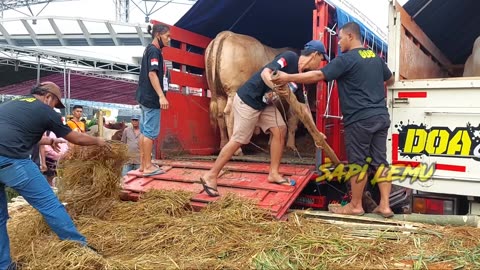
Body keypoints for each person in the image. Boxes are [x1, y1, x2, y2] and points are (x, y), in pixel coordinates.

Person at [271, 22, 395, 217]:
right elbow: (391, 80)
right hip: (381, 116)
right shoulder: (376, 59)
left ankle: (355, 206)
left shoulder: (346, 59)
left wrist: (288, 77)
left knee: (359, 163)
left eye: (340, 37)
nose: (338, 42)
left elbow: (319, 74)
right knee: (381, 161)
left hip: (360, 119)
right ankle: (385, 206)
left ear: (351, 37)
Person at [0, 82, 109, 269]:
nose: (54, 108)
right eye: (55, 103)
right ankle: (80, 249)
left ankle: (4, 265)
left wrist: (50, 139)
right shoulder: (46, 110)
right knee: (50, 204)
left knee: (0, 218)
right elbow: (76, 138)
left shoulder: (10, 103)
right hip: (12, 160)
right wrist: (98, 140)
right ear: (48, 97)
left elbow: (16, 131)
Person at [199, 41, 330, 197]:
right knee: (239, 139)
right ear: (315, 55)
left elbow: (303, 108)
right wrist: (275, 87)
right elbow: (265, 73)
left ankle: (273, 173)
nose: (320, 64)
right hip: (248, 99)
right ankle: (211, 175)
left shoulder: (299, 81)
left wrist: (315, 132)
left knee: (280, 130)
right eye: (321, 59)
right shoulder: (290, 57)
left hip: (264, 104)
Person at [135, 23, 171, 177]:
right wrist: (161, 96)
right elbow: (152, 74)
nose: (169, 39)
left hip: (143, 97)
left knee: (144, 132)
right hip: (151, 99)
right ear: (158, 35)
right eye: (167, 36)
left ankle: (144, 165)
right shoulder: (154, 51)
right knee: (150, 132)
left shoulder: (148, 50)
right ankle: (148, 166)